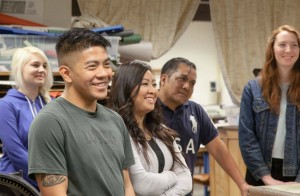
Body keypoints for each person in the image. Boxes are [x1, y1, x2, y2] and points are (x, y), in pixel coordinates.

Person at [28, 28, 135, 195]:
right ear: (66, 73)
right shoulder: (50, 122)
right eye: (92, 66)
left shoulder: (115, 120)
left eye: (107, 64)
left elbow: (127, 185)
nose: (104, 73)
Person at [158, 57, 250, 196]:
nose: (187, 86)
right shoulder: (147, 109)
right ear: (164, 79)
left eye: (192, 83)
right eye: (182, 78)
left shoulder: (196, 111)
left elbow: (218, 149)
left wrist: (242, 184)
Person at [108, 61, 192, 195]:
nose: (152, 91)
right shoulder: (119, 130)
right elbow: (142, 184)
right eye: (145, 84)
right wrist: (172, 176)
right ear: (126, 88)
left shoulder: (161, 130)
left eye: (154, 84)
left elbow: (187, 179)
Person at [239, 25, 300, 186]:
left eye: (294, 45)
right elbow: (247, 137)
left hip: (296, 175)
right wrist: (266, 178)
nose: (288, 50)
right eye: (282, 44)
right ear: (272, 48)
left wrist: (298, 181)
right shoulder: (252, 88)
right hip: (259, 173)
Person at [0, 46, 53, 190]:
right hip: (16, 185)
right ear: (20, 68)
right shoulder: (6, 105)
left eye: (44, 66)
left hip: (50, 181)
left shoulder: (51, 103)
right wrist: (48, 179)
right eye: (35, 65)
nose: (42, 69)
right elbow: (16, 153)